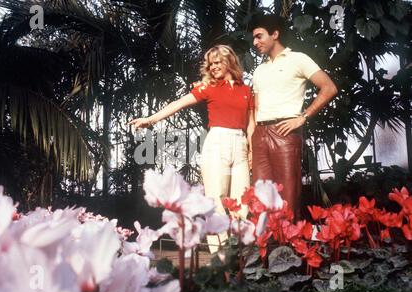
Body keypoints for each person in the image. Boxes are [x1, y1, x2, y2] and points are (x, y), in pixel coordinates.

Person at [129, 45, 255, 252]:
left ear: (230, 61)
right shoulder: (209, 87)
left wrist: (251, 150)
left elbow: (252, 124)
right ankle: (221, 257)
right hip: (217, 143)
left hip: (240, 144)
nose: (213, 67)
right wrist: (150, 119)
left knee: (243, 202)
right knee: (216, 200)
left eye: (217, 62)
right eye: (210, 64)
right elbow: (178, 103)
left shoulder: (246, 90)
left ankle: (240, 253)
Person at [249, 14, 338, 220]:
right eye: (254, 38)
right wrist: (251, 141)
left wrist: (303, 117)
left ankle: (287, 250)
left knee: (287, 197)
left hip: (285, 133)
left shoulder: (298, 59)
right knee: (261, 199)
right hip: (260, 135)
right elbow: (256, 108)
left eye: (259, 36)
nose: (255, 42)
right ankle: (265, 249)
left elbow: (329, 88)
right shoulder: (259, 71)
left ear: (275, 34)